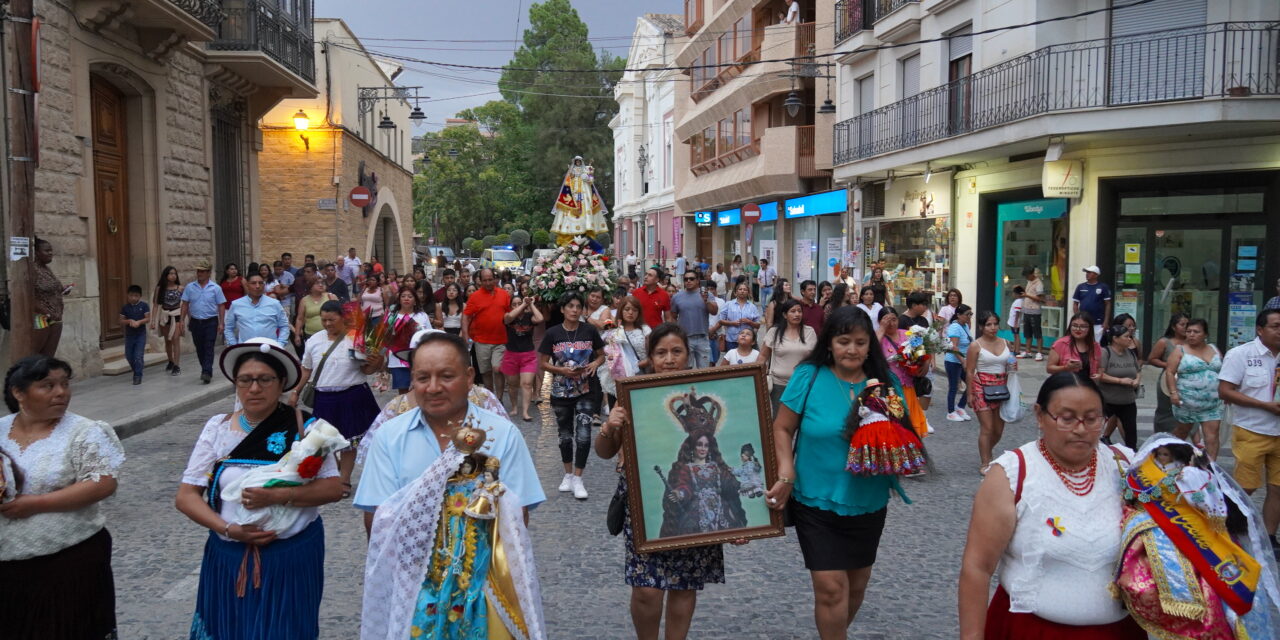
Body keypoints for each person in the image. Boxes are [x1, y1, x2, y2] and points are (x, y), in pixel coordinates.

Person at [176, 339, 344, 640]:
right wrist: (228, 528)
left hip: (290, 556)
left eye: (264, 379)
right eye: (245, 380)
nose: (254, 388)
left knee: (282, 629)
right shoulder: (217, 428)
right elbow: (187, 495)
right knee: (229, 628)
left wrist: (279, 495)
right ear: (235, 384)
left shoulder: (308, 428)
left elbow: (333, 488)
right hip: (227, 554)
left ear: (281, 383)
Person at [958, 371, 1143, 639]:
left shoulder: (1125, 466)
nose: (1080, 429)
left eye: (1092, 419)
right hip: (1031, 630)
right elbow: (977, 567)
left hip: (1119, 631)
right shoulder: (1012, 475)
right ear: (1040, 416)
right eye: (1066, 418)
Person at [764, 307, 909, 639]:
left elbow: (904, 435)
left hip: (868, 499)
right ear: (829, 343)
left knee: (856, 586)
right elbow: (782, 429)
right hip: (815, 499)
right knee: (830, 588)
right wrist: (787, 472)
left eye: (860, 342)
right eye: (844, 341)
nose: (852, 350)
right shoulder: (809, 376)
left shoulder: (884, 385)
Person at [597, 324, 741, 640]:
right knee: (646, 590)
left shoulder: (705, 394)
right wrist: (610, 426)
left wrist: (738, 520)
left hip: (697, 508)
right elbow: (605, 452)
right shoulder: (631, 395)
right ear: (650, 358)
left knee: (685, 585)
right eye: (661, 352)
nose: (669, 359)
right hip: (645, 505)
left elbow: (722, 456)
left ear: (688, 356)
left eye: (677, 352)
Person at [0, 355, 125, 638]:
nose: (61, 393)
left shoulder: (84, 432)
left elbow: (102, 483)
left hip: (69, 562)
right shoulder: (0, 431)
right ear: (19, 393)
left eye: (65, 384)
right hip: (8, 566)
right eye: (48, 385)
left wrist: (35, 504)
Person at [291, 301, 384, 493]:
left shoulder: (355, 339)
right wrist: (295, 391)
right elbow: (306, 369)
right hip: (324, 397)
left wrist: (377, 362)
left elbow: (366, 369)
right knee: (326, 441)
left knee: (349, 442)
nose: (327, 324)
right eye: (324, 320)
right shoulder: (314, 340)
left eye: (331, 319)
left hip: (352, 395)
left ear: (342, 318)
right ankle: (334, 475)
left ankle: (344, 480)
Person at [1217, 308, 1280, 560]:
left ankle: (1270, 537)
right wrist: (1264, 406)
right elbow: (1225, 391)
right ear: (1260, 329)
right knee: (1246, 488)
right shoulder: (1241, 355)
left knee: (1277, 488)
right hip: (1251, 430)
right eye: (1276, 326)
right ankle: (1229, 531)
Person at [538, 292, 605, 500]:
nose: (575, 310)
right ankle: (567, 474)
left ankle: (578, 477)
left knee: (583, 436)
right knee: (565, 436)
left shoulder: (589, 331)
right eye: (570, 306)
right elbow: (543, 362)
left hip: (585, 390)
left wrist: (595, 363)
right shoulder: (553, 333)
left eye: (578, 306)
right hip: (560, 391)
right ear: (562, 309)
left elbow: (602, 354)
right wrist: (561, 371)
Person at [1166, 318, 1224, 459]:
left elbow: (1223, 372)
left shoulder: (1214, 349)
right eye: (1188, 331)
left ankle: (1210, 468)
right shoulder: (1180, 350)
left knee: (1212, 435)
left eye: (1196, 332)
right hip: (1187, 402)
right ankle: (1169, 457)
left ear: (1205, 334)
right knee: (1182, 431)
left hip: (1213, 403)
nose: (1191, 334)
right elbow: (1170, 372)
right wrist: (1173, 393)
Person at [965, 311, 1016, 471]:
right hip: (982, 386)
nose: (993, 328)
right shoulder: (976, 345)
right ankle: (985, 462)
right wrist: (970, 393)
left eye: (995, 324)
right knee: (987, 428)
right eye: (988, 324)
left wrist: (1013, 366)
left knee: (998, 430)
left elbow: (1010, 364)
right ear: (981, 327)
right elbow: (970, 370)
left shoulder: (1006, 343)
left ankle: (987, 450)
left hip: (1002, 387)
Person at [877, 307, 929, 438]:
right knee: (897, 427)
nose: (891, 323)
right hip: (890, 389)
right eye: (886, 320)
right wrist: (881, 330)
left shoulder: (907, 334)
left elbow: (922, 352)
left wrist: (925, 363)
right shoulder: (878, 337)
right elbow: (870, 352)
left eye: (894, 319)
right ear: (880, 322)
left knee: (912, 426)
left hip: (908, 386)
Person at [463, 268, 513, 401]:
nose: (488, 283)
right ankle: (491, 398)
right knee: (485, 372)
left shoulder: (504, 294)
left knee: (498, 369)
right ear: (480, 280)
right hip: (481, 341)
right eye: (485, 280)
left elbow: (509, 314)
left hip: (501, 340)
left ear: (494, 278)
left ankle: (500, 399)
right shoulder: (475, 296)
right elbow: (466, 316)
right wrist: (465, 334)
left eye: (490, 279)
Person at [761, 299, 817, 412]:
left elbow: (815, 359)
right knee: (778, 419)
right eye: (793, 311)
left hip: (803, 384)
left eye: (799, 311)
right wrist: (757, 378)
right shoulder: (774, 332)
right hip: (778, 384)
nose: (797, 314)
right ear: (785, 315)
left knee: (800, 419)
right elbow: (762, 357)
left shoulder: (809, 332)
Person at [182, 260, 228, 384]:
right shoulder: (190, 287)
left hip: (211, 321)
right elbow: (185, 304)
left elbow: (221, 306)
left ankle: (207, 371)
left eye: (202, 271)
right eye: (198, 271)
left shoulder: (216, 288)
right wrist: (181, 320)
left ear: (208, 273)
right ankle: (205, 368)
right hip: (196, 321)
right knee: (199, 347)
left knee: (208, 346)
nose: (199, 273)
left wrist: (221, 323)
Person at [1097, 324, 1142, 450]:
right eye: (1126, 337)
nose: (1130, 339)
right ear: (1115, 339)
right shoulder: (1106, 352)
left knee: (1131, 434)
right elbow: (1100, 375)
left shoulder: (1131, 353)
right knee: (1096, 427)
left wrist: (1137, 380)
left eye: (1130, 337)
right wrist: (1120, 381)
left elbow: (1138, 371)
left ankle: (1131, 457)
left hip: (1128, 400)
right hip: (1108, 400)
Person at [601, 296, 650, 408]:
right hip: (617, 379)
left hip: (640, 376)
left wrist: (639, 364)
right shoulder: (613, 331)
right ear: (621, 311)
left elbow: (653, 354)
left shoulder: (645, 330)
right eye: (627, 309)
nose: (630, 313)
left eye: (634, 310)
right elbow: (607, 353)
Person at [502, 295, 544, 422]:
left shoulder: (529, 317)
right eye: (514, 304)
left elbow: (540, 318)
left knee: (526, 384)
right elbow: (509, 318)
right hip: (511, 355)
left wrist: (530, 304)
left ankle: (525, 411)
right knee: (512, 385)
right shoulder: (507, 317)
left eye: (519, 303)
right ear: (510, 306)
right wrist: (522, 305)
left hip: (528, 355)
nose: (517, 305)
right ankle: (514, 406)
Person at [384, 287, 433, 395]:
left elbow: (429, 335)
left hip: (418, 359)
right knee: (403, 391)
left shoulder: (422, 316)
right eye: (403, 296)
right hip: (397, 359)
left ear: (415, 300)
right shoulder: (392, 316)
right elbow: (385, 337)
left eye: (410, 296)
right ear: (399, 299)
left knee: (420, 389)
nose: (406, 299)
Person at [223, 272, 290, 347]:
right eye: (253, 283)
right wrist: (234, 346)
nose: (257, 286)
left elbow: (284, 326)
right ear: (247, 285)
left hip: (270, 349)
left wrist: (280, 344)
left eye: (260, 283)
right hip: (246, 350)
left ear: (264, 286)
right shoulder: (236, 304)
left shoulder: (274, 304)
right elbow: (228, 328)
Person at [1147, 313, 1188, 435]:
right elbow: (1152, 358)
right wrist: (1169, 365)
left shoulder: (1191, 342)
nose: (1185, 327)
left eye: (1187, 324)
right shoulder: (1164, 342)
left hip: (1186, 380)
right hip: (1167, 379)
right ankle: (1162, 436)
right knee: (1166, 409)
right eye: (1182, 324)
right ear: (1174, 327)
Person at [670, 270, 720, 369]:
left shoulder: (707, 294)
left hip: (703, 338)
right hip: (685, 338)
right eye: (686, 279)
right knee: (686, 370)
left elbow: (714, 311)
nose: (688, 281)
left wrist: (706, 301)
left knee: (704, 370)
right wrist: (677, 334)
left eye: (691, 279)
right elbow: (673, 316)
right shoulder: (677, 297)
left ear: (697, 281)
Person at [30, 238, 68, 357]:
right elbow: (29, 297)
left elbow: (54, 288)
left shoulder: (46, 269)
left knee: (49, 355)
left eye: (51, 250)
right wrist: (47, 312)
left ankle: (46, 375)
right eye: (47, 251)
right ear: (36, 253)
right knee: (36, 353)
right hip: (41, 318)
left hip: (56, 317)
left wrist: (64, 289)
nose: (50, 253)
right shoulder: (32, 270)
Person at [1047, 311, 1102, 379]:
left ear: (1089, 328)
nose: (1078, 329)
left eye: (1083, 326)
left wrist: (1099, 375)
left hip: (1087, 386)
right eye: (1075, 326)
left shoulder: (1095, 346)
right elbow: (1049, 369)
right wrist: (1066, 368)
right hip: (1066, 385)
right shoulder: (1060, 343)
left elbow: (1099, 367)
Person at [291, 277, 336, 358]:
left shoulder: (330, 296)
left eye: (322, 283)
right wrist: (297, 335)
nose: (321, 285)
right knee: (314, 356)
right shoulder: (304, 300)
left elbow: (339, 314)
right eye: (317, 283)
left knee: (328, 356)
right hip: (311, 334)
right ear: (310, 287)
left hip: (329, 332)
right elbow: (300, 318)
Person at [944, 305, 974, 423]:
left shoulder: (965, 325)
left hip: (963, 361)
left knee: (972, 384)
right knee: (954, 387)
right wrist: (963, 361)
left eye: (971, 314)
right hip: (953, 361)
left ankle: (960, 407)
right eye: (967, 314)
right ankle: (950, 412)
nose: (969, 317)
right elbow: (953, 347)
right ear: (959, 315)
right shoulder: (955, 327)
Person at [155, 265, 185, 375]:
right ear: (166, 275)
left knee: (175, 339)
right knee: (168, 340)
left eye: (174, 273)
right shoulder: (160, 289)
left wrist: (186, 319)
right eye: (170, 273)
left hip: (176, 315)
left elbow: (186, 304)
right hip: (165, 316)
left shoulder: (181, 288)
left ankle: (177, 365)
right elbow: (155, 304)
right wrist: (153, 321)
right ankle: (170, 361)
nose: (173, 276)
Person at [1073, 266, 1113, 343]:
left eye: (1089, 272)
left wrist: (1106, 321)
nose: (1087, 274)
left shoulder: (1103, 287)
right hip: (1084, 321)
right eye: (1086, 272)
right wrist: (1077, 317)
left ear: (1096, 275)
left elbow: (1108, 304)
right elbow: (1075, 304)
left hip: (1098, 322)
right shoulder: (1080, 287)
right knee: (1083, 341)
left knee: (1096, 343)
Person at [120, 284, 151, 385]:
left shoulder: (144, 306)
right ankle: (137, 369)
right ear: (127, 296)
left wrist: (139, 322)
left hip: (140, 335)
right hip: (129, 335)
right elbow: (121, 320)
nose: (133, 298)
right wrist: (129, 321)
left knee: (138, 355)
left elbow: (147, 318)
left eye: (136, 296)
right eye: (131, 296)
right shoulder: (125, 308)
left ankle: (138, 375)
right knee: (129, 355)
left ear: (140, 296)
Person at [719, 281, 762, 352]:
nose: (742, 291)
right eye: (740, 289)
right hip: (732, 340)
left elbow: (757, 325)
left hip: (747, 340)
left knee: (747, 361)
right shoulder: (729, 304)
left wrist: (749, 322)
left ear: (748, 293)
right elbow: (721, 321)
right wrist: (732, 323)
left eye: (745, 290)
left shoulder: (752, 307)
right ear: (736, 292)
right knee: (732, 361)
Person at [1021, 266, 1047, 361]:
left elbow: (1040, 299)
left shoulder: (1039, 283)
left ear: (1032, 274)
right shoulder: (1029, 281)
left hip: (1035, 311)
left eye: (1027, 276)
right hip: (1026, 310)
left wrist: (1027, 295)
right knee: (1027, 332)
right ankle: (1028, 351)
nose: (1026, 278)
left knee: (1037, 333)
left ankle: (1039, 352)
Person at [1006, 286, 1024, 357]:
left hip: (1014, 322)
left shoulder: (1019, 301)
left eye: (1013, 293)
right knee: (1015, 336)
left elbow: (1017, 313)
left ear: (1017, 294)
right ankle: (1015, 349)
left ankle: (1017, 350)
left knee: (1016, 336)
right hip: (1013, 322)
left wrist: (1016, 323)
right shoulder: (1019, 301)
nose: (1012, 294)